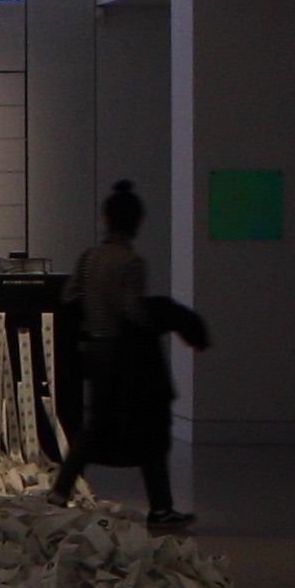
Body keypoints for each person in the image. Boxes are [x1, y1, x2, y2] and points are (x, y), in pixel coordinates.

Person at [54, 181, 199, 527]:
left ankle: (60, 490)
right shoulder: (131, 262)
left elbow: (69, 295)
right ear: (137, 221)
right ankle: (161, 508)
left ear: (105, 217)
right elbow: (133, 310)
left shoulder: (89, 258)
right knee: (150, 430)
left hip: (93, 351)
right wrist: (157, 319)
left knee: (94, 426)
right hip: (122, 355)